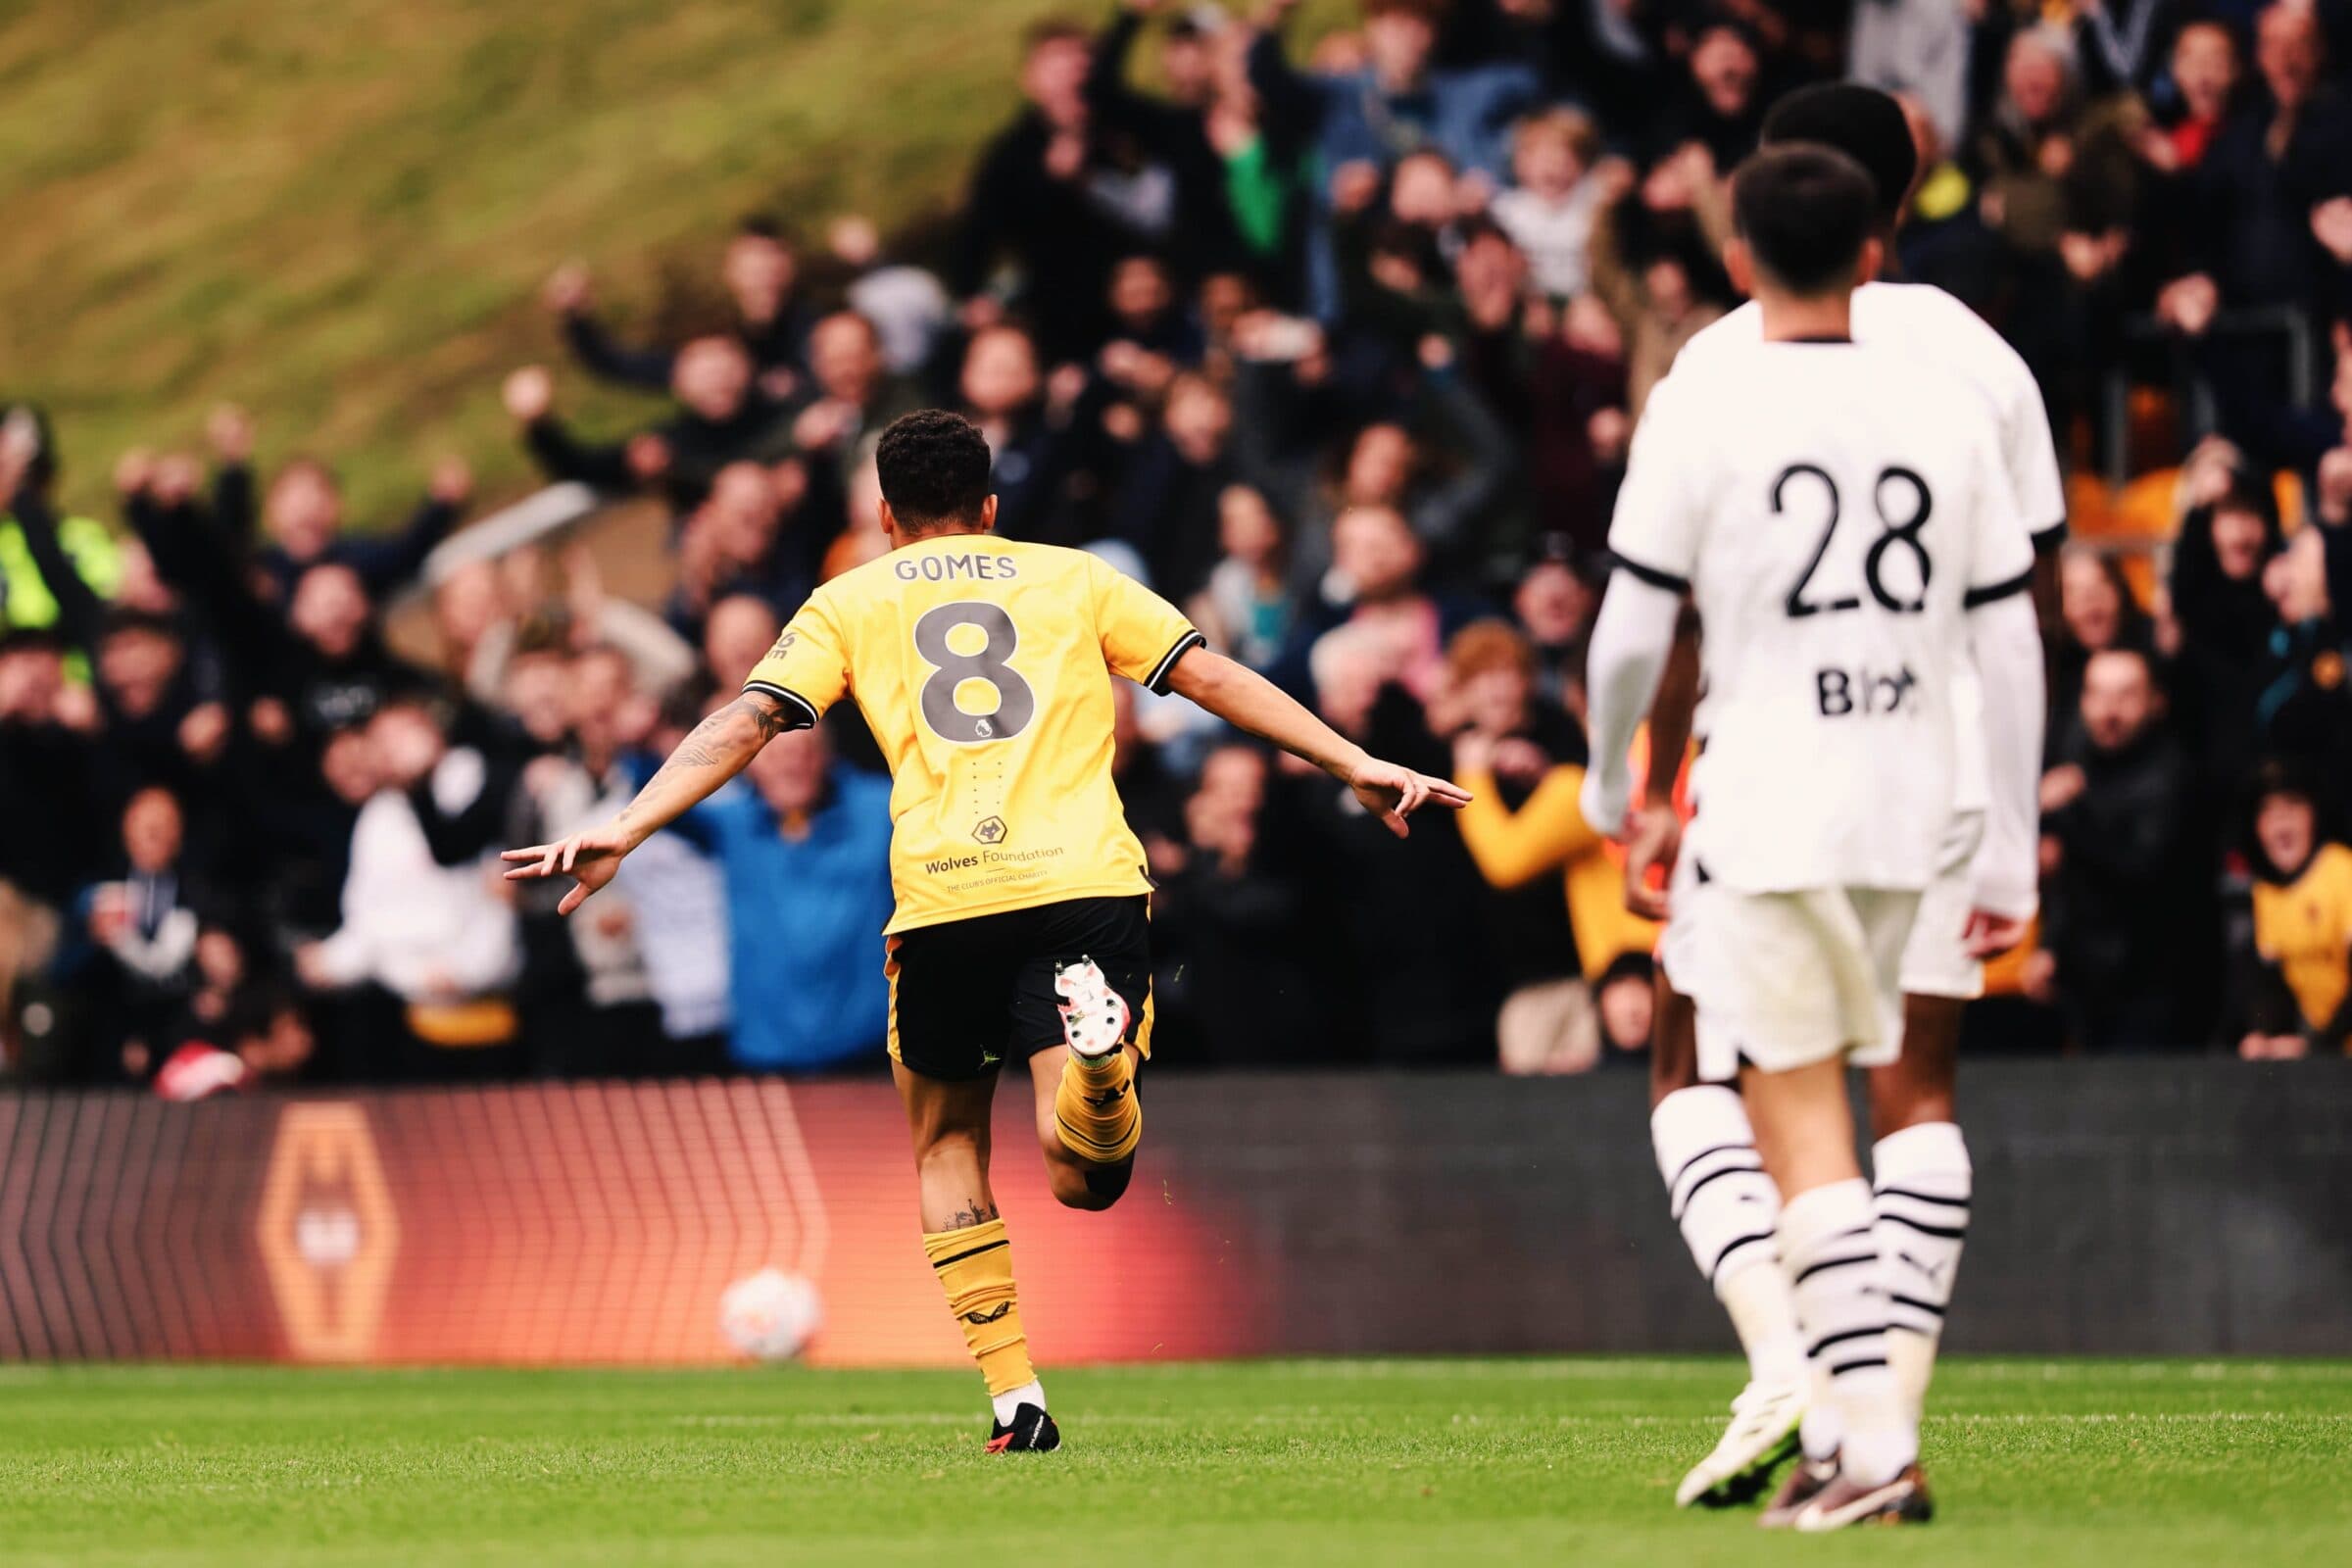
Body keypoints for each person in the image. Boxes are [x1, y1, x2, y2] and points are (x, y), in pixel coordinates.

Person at [504, 408, 1465, 1451]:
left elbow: (747, 719)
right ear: (993, 508)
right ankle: (1098, 1075)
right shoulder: (1073, 578)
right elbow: (1209, 674)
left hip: (947, 899)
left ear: (883, 516)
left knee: (950, 1144)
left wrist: (626, 826)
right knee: (1087, 1176)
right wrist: (1350, 759)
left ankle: (1016, 1394)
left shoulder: (848, 600)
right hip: (1083, 882)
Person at [1581, 146, 2043, 1530]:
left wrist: (1617, 784)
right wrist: (2011, 834)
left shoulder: (1702, 404)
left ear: (1736, 261)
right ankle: (1866, 1434)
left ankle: (1864, 1446)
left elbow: (1629, 630)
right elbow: (2009, 633)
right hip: (1921, 793)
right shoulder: (1944, 408)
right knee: (1896, 1093)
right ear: (1873, 249)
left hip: (1778, 794)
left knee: (1796, 1118)